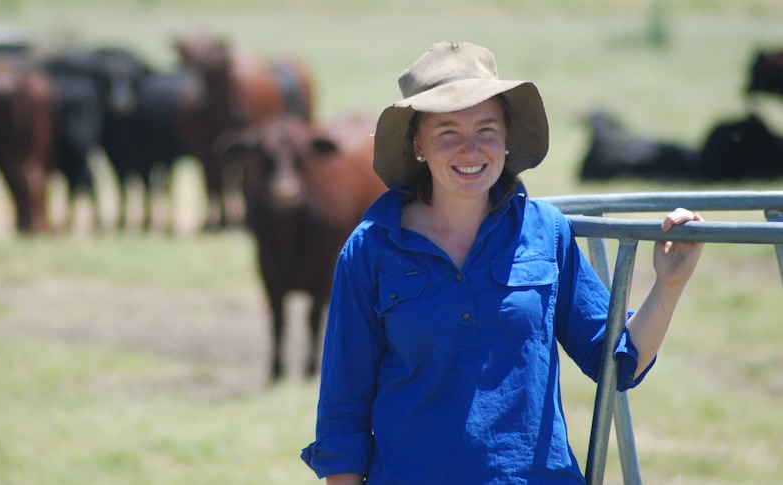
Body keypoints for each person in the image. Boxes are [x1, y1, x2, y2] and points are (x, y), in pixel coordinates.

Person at [301, 41, 703, 484]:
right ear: (418, 145)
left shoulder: (546, 231)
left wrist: (668, 285)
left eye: (486, 129)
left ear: (507, 135)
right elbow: (343, 411)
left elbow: (616, 362)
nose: (470, 150)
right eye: (448, 131)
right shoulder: (371, 248)